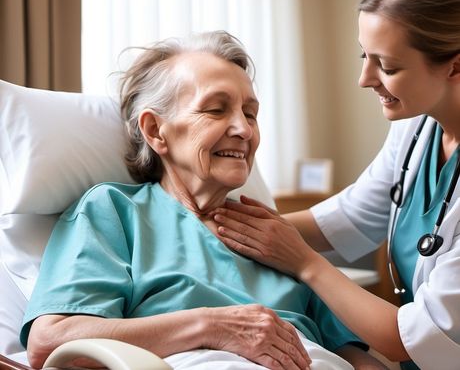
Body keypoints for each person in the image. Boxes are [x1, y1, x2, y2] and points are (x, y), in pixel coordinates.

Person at [20, 31, 386, 370]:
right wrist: (211, 326)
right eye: (215, 109)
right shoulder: (115, 213)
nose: (244, 129)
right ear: (155, 130)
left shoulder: (275, 236)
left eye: (250, 113)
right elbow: (50, 340)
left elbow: (351, 354)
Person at [211, 0, 460, 370]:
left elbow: (408, 338)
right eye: (364, 55)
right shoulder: (415, 128)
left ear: (455, 65)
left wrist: (304, 262)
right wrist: (216, 224)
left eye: (388, 65)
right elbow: (352, 215)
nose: (365, 78)